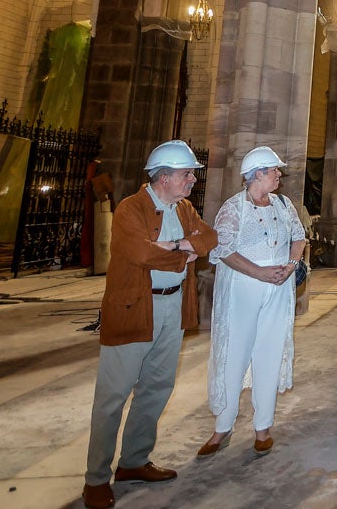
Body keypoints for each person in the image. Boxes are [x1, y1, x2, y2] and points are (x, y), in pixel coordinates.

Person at [82, 140, 217, 509]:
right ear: (164, 177)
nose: (192, 179)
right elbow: (140, 253)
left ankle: (133, 462)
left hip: (173, 306)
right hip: (134, 309)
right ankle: (95, 478)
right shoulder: (131, 209)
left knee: (157, 386)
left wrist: (180, 245)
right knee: (113, 394)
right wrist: (181, 250)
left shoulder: (184, 208)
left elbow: (209, 238)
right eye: (187, 174)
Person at [199, 147, 306, 458]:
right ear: (258, 174)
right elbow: (223, 250)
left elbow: (298, 237)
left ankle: (263, 426)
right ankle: (223, 425)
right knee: (236, 353)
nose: (278, 176)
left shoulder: (283, 204)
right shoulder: (233, 208)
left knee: (269, 353)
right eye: (274, 171)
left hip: (278, 287)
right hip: (243, 288)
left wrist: (290, 264)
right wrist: (259, 271)